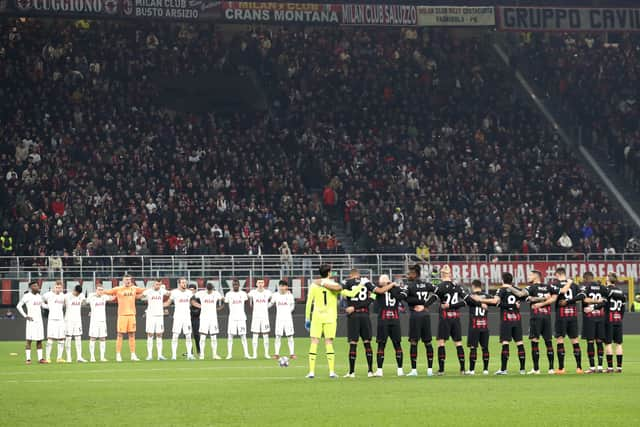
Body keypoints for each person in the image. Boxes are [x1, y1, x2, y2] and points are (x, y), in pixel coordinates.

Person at [304, 264, 363, 378]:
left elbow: (308, 303)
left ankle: (311, 372)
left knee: (314, 341)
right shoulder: (334, 285)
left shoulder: (314, 285)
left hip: (317, 316)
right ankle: (331, 372)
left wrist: (307, 319)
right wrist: (361, 285)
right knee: (329, 342)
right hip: (330, 317)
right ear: (329, 273)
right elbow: (351, 294)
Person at [342, 269, 394, 378]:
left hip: (353, 316)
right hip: (365, 315)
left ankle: (351, 372)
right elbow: (374, 296)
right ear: (358, 274)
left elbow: (345, 297)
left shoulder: (347, 283)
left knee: (353, 343)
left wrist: (353, 306)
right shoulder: (367, 282)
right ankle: (370, 371)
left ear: (351, 275)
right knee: (367, 343)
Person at [474, 272, 527, 375]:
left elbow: (495, 301)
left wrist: (481, 299)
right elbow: (524, 298)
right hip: (517, 319)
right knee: (519, 343)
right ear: (511, 280)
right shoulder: (517, 290)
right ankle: (522, 369)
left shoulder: (501, 290)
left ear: (502, 280)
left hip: (506, 320)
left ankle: (503, 369)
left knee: (505, 343)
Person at [404, 264, 438, 377]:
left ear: (415, 274)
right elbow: (437, 293)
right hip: (425, 315)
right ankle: (429, 370)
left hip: (415, 316)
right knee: (428, 342)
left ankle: (414, 370)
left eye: (410, 273)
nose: (408, 275)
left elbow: (405, 298)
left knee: (414, 342)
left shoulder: (410, 286)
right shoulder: (427, 284)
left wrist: (416, 304)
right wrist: (425, 305)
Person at [103, 274, 146, 362]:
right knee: (120, 334)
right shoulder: (118, 289)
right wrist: (99, 292)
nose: (128, 281)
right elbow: (106, 292)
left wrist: (153, 289)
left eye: (129, 279)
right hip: (122, 315)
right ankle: (118, 354)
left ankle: (133, 355)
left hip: (132, 315)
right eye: (126, 280)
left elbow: (145, 290)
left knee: (132, 334)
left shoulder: (134, 288)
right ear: (123, 280)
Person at [434, 265, 468, 375]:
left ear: (442, 275)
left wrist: (424, 305)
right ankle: (463, 369)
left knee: (441, 342)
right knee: (458, 343)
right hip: (456, 317)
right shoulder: (457, 286)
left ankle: (441, 370)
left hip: (445, 317)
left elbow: (434, 298)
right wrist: (454, 305)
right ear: (450, 274)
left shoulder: (440, 287)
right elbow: (465, 301)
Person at [550, 267, 584, 374]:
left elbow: (553, 298)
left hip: (561, 316)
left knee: (560, 340)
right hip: (573, 316)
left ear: (557, 274)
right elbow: (582, 296)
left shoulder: (555, 284)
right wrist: (571, 301)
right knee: (575, 340)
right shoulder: (574, 285)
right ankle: (579, 368)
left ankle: (561, 368)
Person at [373, 274, 407, 377]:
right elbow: (402, 298)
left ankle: (379, 370)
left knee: (381, 345)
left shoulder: (379, 289)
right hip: (395, 319)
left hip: (383, 320)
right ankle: (400, 370)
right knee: (397, 345)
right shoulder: (395, 289)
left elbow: (375, 303)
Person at [526, 270, 556, 374]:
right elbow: (554, 297)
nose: (528, 276)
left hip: (536, 317)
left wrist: (538, 304)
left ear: (536, 276)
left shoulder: (531, 288)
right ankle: (551, 368)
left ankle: (536, 369)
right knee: (548, 342)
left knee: (534, 342)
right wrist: (545, 301)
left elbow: (528, 298)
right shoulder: (549, 287)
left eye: (530, 275)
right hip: (547, 317)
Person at [579, 272, 608, 373]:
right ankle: (600, 366)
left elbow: (583, 299)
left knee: (590, 341)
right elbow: (605, 301)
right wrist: (598, 302)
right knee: (599, 341)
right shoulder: (602, 287)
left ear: (585, 279)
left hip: (589, 318)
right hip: (600, 317)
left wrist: (591, 306)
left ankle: (592, 367)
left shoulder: (585, 288)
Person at [16, 281, 47, 364]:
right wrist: (25, 316)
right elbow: (18, 306)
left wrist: (52, 304)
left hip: (39, 321)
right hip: (31, 321)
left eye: (37, 286)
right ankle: (28, 359)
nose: (37, 287)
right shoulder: (27, 296)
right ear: (31, 288)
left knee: (39, 340)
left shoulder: (39, 297)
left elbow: (43, 306)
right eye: (35, 286)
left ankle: (40, 359)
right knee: (29, 340)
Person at [464, 280, 491, 375]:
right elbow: (497, 301)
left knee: (473, 348)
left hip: (474, 326)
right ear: (481, 286)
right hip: (484, 326)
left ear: (473, 286)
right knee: (485, 348)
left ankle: (471, 370)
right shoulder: (487, 296)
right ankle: (486, 370)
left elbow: (464, 302)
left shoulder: (471, 296)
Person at [164, 278, 195, 360]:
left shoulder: (189, 292)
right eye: (183, 282)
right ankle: (174, 355)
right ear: (179, 284)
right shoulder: (174, 292)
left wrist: (202, 306)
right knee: (175, 336)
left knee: (188, 336)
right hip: (178, 317)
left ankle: (189, 355)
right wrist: (157, 305)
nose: (184, 284)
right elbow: (167, 303)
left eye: (185, 282)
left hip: (187, 317)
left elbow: (193, 303)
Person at [193, 283, 224, 360]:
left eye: (211, 290)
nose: (210, 291)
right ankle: (202, 355)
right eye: (208, 289)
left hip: (213, 318)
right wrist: (198, 305)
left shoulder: (216, 293)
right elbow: (192, 299)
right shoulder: (201, 293)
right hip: (204, 318)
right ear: (206, 288)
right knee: (203, 337)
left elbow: (223, 299)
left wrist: (220, 308)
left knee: (214, 337)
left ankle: (214, 354)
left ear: (213, 289)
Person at [603, 273, 625, 373]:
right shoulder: (621, 292)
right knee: (619, 343)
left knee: (608, 343)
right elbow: (623, 308)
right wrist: (620, 317)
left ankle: (610, 367)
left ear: (608, 280)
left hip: (609, 319)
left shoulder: (607, 290)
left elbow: (603, 303)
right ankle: (619, 367)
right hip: (618, 319)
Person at [270, 280, 296, 360]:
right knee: (278, 336)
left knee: (290, 336)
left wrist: (288, 311)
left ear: (286, 287)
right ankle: (276, 354)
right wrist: (263, 307)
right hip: (279, 319)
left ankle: (292, 354)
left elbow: (292, 306)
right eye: (280, 286)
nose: (281, 288)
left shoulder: (290, 296)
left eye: (283, 286)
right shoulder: (275, 295)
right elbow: (270, 303)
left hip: (288, 319)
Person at [224, 279, 250, 359]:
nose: (235, 286)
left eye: (236, 284)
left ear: (239, 285)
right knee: (230, 336)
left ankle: (246, 354)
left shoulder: (243, 294)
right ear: (232, 285)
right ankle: (229, 354)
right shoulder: (228, 294)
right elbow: (225, 303)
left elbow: (246, 302)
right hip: (232, 318)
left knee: (243, 336)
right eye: (234, 284)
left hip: (241, 318)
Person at [142, 280, 168, 361]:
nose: (158, 286)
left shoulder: (162, 291)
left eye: (159, 284)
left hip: (160, 315)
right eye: (157, 284)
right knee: (150, 334)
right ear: (154, 284)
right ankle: (149, 355)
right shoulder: (148, 291)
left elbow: (170, 293)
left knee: (159, 334)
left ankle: (160, 355)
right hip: (151, 316)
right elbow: (140, 296)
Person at [42, 280, 66, 363]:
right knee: (50, 339)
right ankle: (48, 358)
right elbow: (41, 299)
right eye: (57, 287)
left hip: (61, 320)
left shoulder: (63, 296)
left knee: (62, 339)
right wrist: (46, 306)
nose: (58, 289)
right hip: (52, 319)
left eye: (60, 288)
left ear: (62, 288)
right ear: (54, 287)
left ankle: (59, 358)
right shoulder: (48, 294)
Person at [87, 285, 112, 362]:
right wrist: (96, 294)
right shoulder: (91, 297)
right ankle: (92, 357)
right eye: (99, 289)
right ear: (96, 290)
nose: (100, 291)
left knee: (103, 338)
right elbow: (86, 300)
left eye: (101, 290)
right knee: (93, 338)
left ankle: (102, 357)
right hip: (94, 321)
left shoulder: (104, 297)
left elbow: (112, 297)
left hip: (102, 321)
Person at [248, 279, 272, 359]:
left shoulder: (268, 292)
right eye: (259, 282)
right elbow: (246, 296)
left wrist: (268, 306)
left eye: (262, 282)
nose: (260, 284)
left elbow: (274, 298)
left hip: (265, 317)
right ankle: (255, 354)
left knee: (265, 335)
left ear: (264, 283)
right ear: (256, 284)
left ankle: (266, 354)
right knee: (255, 335)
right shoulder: (253, 292)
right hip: (256, 317)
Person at [64, 285, 86, 363]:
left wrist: (83, 301)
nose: (77, 295)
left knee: (78, 337)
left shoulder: (81, 295)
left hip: (77, 320)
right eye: (76, 293)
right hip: (68, 320)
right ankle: (68, 357)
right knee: (68, 338)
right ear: (74, 290)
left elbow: (84, 302)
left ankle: (79, 357)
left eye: (78, 293)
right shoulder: (66, 296)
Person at [188, 283, 201, 358]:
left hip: (196, 318)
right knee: (188, 335)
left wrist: (194, 311)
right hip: (187, 318)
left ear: (195, 290)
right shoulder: (186, 297)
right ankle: (190, 352)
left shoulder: (198, 298)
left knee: (196, 335)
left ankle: (199, 351)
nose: (191, 291)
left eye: (193, 290)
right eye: (190, 290)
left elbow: (199, 309)